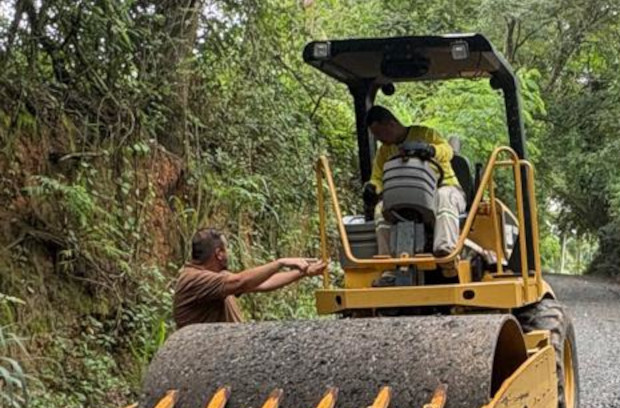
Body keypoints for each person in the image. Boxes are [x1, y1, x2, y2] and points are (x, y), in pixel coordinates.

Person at [363, 106, 467, 257]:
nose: (379, 139)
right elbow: (377, 178)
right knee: (380, 208)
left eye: (380, 133)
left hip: (444, 188)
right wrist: (373, 188)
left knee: (444, 197)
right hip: (404, 200)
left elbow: (448, 151)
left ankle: (445, 251)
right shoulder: (384, 151)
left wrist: (430, 150)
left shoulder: (425, 134)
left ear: (392, 124)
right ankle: (386, 261)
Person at [174, 228, 326, 329]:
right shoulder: (193, 279)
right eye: (226, 250)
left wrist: (304, 272)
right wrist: (280, 263)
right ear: (219, 253)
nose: (228, 254)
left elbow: (263, 283)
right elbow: (241, 281)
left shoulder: (218, 278)